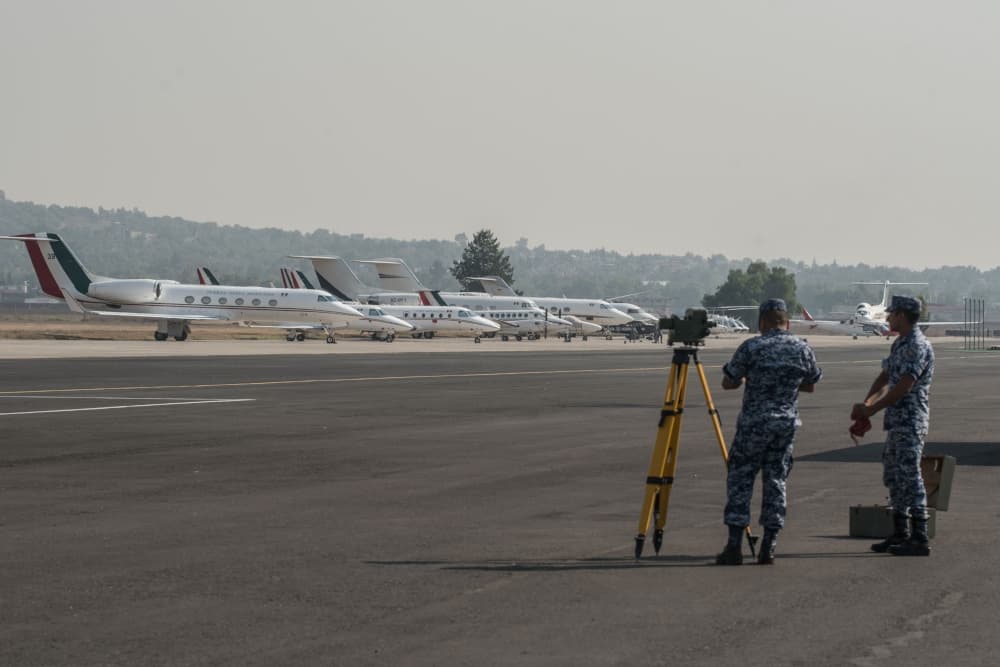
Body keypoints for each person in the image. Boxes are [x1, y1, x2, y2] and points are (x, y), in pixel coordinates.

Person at [716, 298, 822, 565]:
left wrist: (749, 379)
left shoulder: (753, 346)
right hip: (785, 425)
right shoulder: (801, 348)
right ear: (786, 322)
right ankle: (769, 546)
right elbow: (810, 385)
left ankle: (734, 546)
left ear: (762, 321)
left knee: (741, 479)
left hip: (754, 423)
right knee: (776, 481)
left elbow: (729, 382)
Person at [851, 295, 934, 557]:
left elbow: (903, 386)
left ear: (902, 315)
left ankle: (920, 537)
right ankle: (901, 532)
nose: (887, 317)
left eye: (892, 313)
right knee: (895, 477)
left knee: (911, 476)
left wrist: (871, 410)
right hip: (897, 422)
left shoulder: (917, 345)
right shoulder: (900, 344)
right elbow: (885, 376)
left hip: (910, 421)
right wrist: (866, 403)